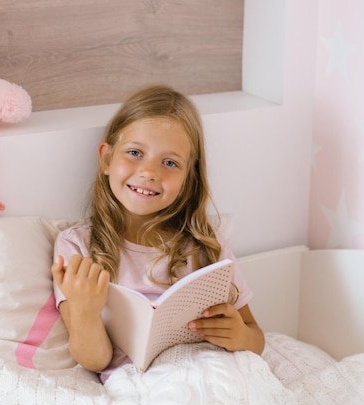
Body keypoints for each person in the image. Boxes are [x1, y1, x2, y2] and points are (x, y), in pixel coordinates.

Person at [51, 85, 264, 382]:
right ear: (106, 159)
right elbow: (96, 361)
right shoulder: (78, 246)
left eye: (170, 163)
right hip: (138, 384)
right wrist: (85, 313)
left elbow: (255, 337)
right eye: (135, 153)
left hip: (209, 373)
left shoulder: (205, 245)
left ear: (188, 178)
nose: (150, 172)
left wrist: (240, 336)